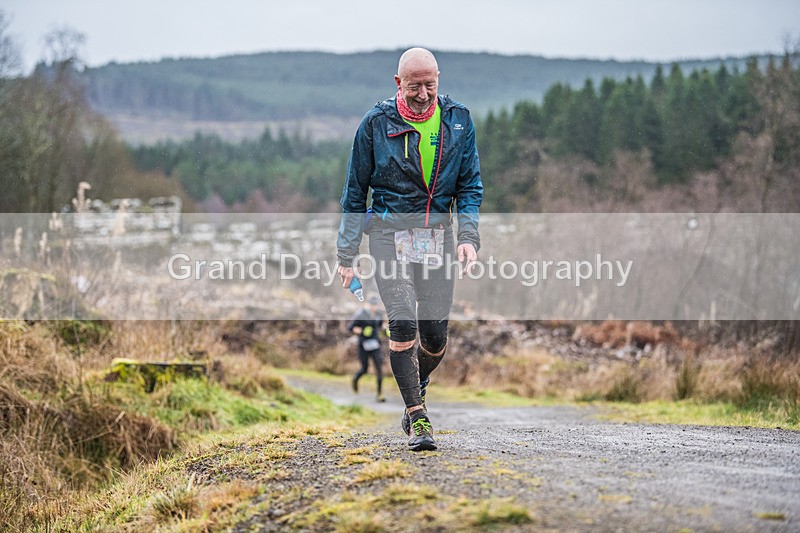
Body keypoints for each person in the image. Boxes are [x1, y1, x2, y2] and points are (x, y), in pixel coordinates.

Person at [336, 47, 483, 451]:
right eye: (414, 85)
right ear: (398, 83)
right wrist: (346, 254)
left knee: (435, 337)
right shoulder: (375, 124)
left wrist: (468, 237)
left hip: (437, 236)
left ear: (439, 79)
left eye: (430, 85)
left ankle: (415, 381)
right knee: (402, 324)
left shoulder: (458, 120)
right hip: (387, 235)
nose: (422, 94)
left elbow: (470, 186)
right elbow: (354, 191)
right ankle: (418, 418)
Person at [347, 294, 386, 402]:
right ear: (367, 305)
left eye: (376, 305)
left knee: (379, 368)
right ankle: (355, 379)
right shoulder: (360, 314)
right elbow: (350, 327)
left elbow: (381, 324)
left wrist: (385, 329)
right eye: (372, 305)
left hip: (375, 344)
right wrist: (359, 330)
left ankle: (380, 394)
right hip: (363, 344)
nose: (374, 308)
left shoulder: (378, 313)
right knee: (365, 369)